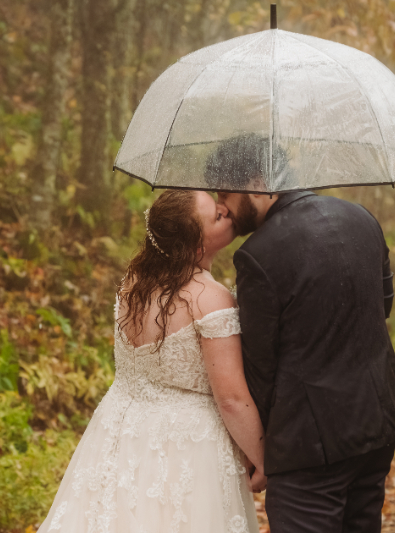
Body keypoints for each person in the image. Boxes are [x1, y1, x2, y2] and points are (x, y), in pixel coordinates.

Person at [207, 134, 395, 533]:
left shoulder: (258, 253)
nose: (223, 206)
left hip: (308, 446)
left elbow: (259, 365)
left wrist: (261, 451)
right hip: (376, 426)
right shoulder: (361, 217)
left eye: (225, 192)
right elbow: (382, 305)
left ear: (255, 182)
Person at [37, 190, 265, 533]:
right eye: (216, 216)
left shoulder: (132, 285)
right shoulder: (209, 298)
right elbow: (231, 398)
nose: (226, 211)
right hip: (188, 448)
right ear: (195, 247)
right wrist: (263, 459)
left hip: (120, 434)